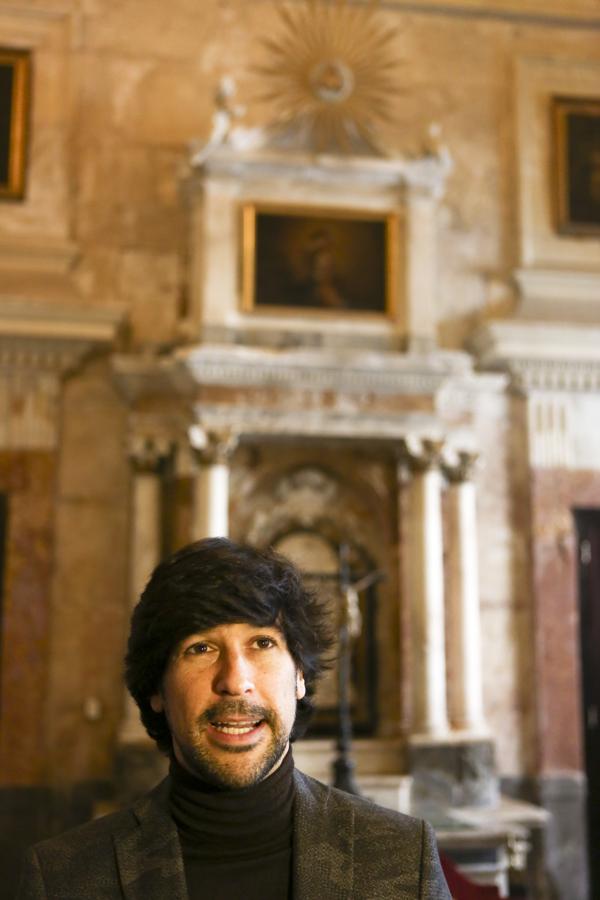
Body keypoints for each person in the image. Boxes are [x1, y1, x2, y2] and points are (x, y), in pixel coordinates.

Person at [17, 538, 451, 899]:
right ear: (156, 691)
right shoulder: (63, 879)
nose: (235, 681)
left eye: (262, 643)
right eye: (201, 648)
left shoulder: (399, 858)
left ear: (299, 675)